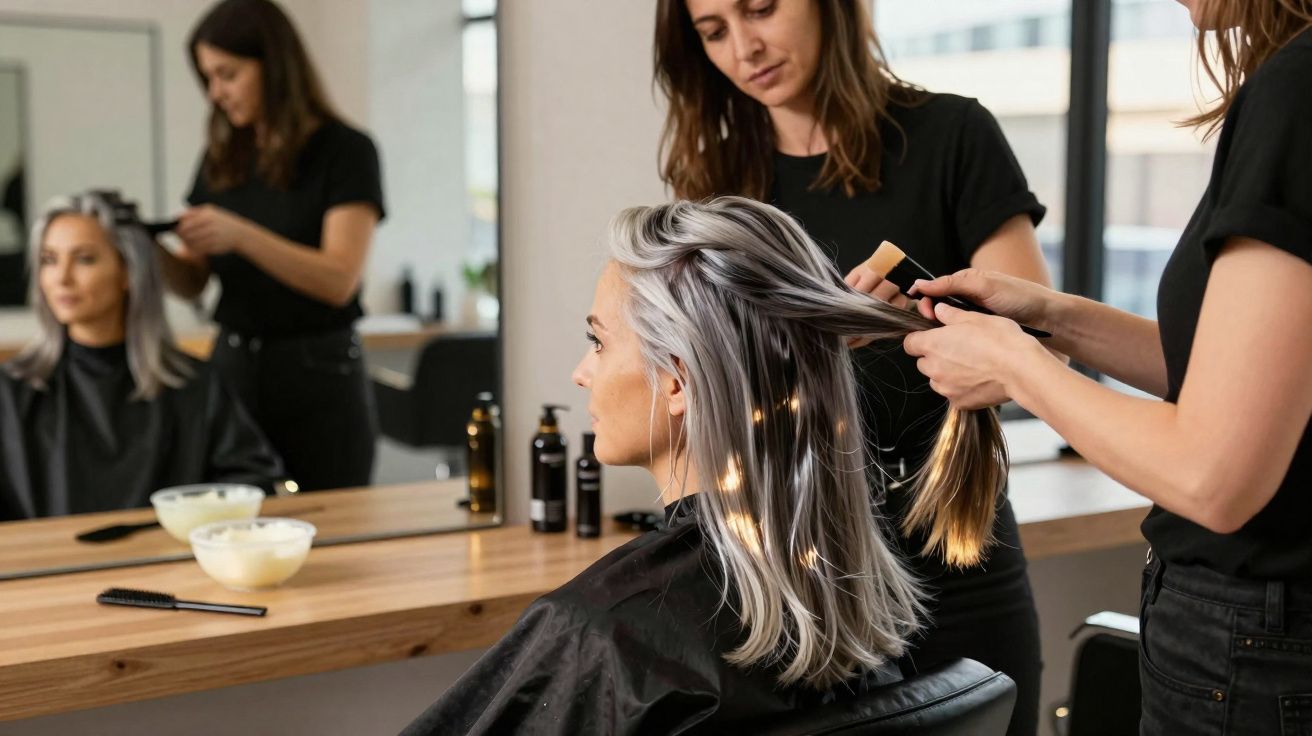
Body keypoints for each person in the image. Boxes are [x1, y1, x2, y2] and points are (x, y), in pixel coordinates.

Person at [402, 197, 1009, 734]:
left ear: (678, 381)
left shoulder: (602, 629)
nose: (580, 372)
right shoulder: (843, 581)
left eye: (598, 342)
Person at [903, 2, 1312, 733]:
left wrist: (1017, 366)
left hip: (1262, 645)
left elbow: (1213, 478)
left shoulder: (1298, 92)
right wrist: (1053, 318)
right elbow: (1244, 380)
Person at [654, 2, 1052, 732]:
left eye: (760, 8)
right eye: (713, 32)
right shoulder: (715, 181)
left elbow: (1041, 346)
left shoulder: (952, 136)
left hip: (956, 546)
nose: (746, 46)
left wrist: (910, 313)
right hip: (802, 578)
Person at [159, 0, 386, 491]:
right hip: (235, 367)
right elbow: (192, 278)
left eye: (228, 74)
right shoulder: (221, 158)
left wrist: (239, 234)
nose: (216, 93)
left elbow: (338, 280)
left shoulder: (345, 152)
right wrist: (146, 251)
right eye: (208, 79)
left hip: (320, 374)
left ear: (275, 65)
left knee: (335, 524)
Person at [0, 191, 282, 521]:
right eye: (49, 260)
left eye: (84, 259)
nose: (61, 278)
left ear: (127, 272)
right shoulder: (10, 393)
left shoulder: (195, 388)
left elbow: (252, 484)